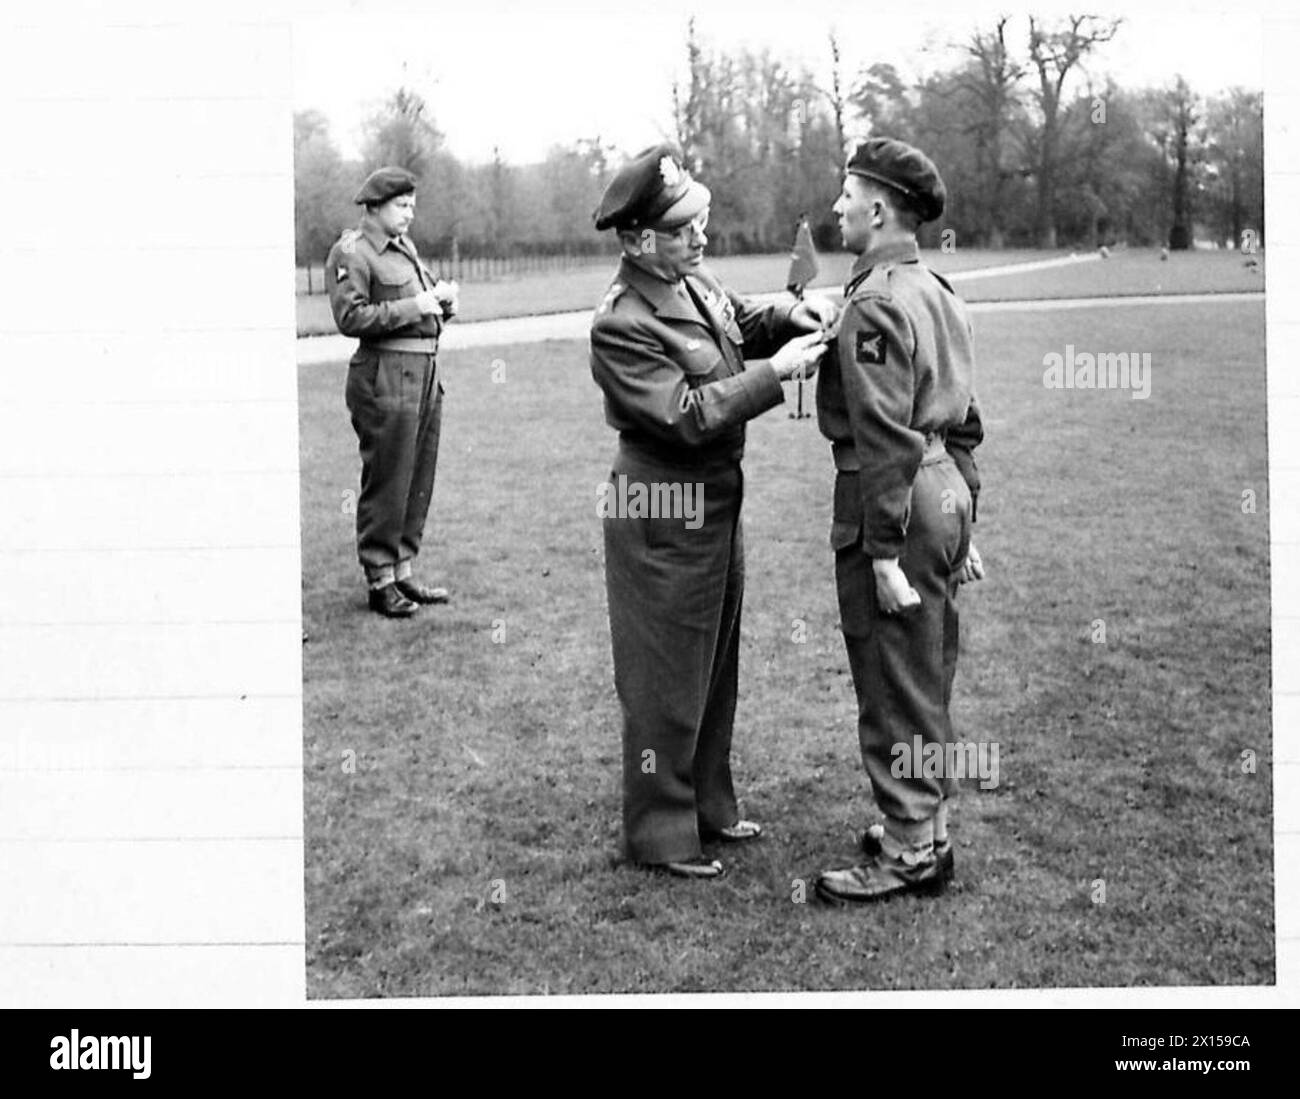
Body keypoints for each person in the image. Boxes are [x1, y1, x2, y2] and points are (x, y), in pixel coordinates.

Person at [589, 144, 836, 879]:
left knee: (713, 663)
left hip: (715, 500)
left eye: (701, 220)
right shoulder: (622, 322)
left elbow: (740, 318)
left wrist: (794, 310)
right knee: (665, 675)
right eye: (683, 227)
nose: (701, 236)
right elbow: (687, 413)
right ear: (638, 239)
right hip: (664, 503)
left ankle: (708, 804)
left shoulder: (689, 281)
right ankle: (660, 834)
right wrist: (776, 376)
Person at [812, 138, 986, 904]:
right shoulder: (935, 289)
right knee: (927, 671)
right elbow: (967, 421)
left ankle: (911, 848)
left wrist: (883, 550)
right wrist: (966, 521)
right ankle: (928, 827)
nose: (838, 208)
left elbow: (884, 438)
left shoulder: (877, 300)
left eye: (848, 197)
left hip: (898, 499)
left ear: (878, 209)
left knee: (891, 679)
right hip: (943, 488)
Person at [325, 166, 459, 618]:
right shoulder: (353, 253)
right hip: (385, 373)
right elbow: (351, 319)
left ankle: (403, 569)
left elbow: (421, 309)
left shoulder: (405, 250)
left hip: (423, 370)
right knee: (389, 475)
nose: (409, 215)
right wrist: (415, 305)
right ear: (376, 206)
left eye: (412, 206)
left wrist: (443, 306)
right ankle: (380, 579)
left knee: (417, 474)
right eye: (402, 206)